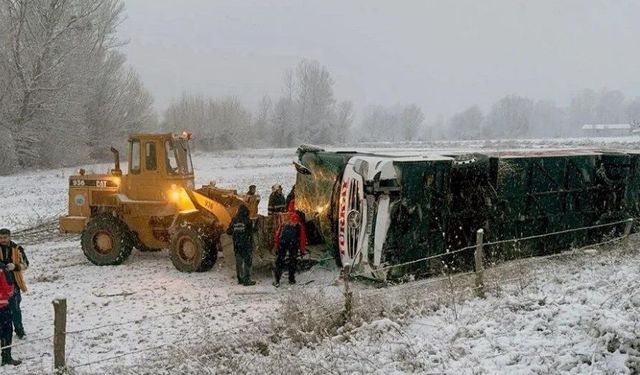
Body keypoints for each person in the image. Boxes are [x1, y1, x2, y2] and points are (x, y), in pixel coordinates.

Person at [0, 228, 28, 339]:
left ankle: (19, 330)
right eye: (1, 238)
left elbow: (25, 264)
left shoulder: (17, 249)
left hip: (14, 282)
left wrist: (14, 266)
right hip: (1, 284)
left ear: (10, 237)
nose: (2, 240)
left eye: (5, 237)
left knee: (15, 308)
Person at [272, 208, 307, 287]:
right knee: (293, 260)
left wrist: (276, 246)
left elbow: (277, 235)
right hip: (293, 244)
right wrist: (302, 250)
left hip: (283, 242)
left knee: (280, 260)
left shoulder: (285, 224)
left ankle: (277, 279)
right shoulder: (299, 226)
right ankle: (291, 279)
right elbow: (302, 239)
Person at [226, 205, 256, 286]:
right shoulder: (248, 221)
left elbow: (228, 231)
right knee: (247, 262)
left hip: (237, 245)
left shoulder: (234, 220)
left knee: (238, 262)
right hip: (245, 244)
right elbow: (252, 231)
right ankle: (247, 280)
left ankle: (240, 279)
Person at [0, 270, 20, 366]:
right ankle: (6, 357)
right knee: (6, 332)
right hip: (2, 306)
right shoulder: (2, 271)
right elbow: (8, 289)